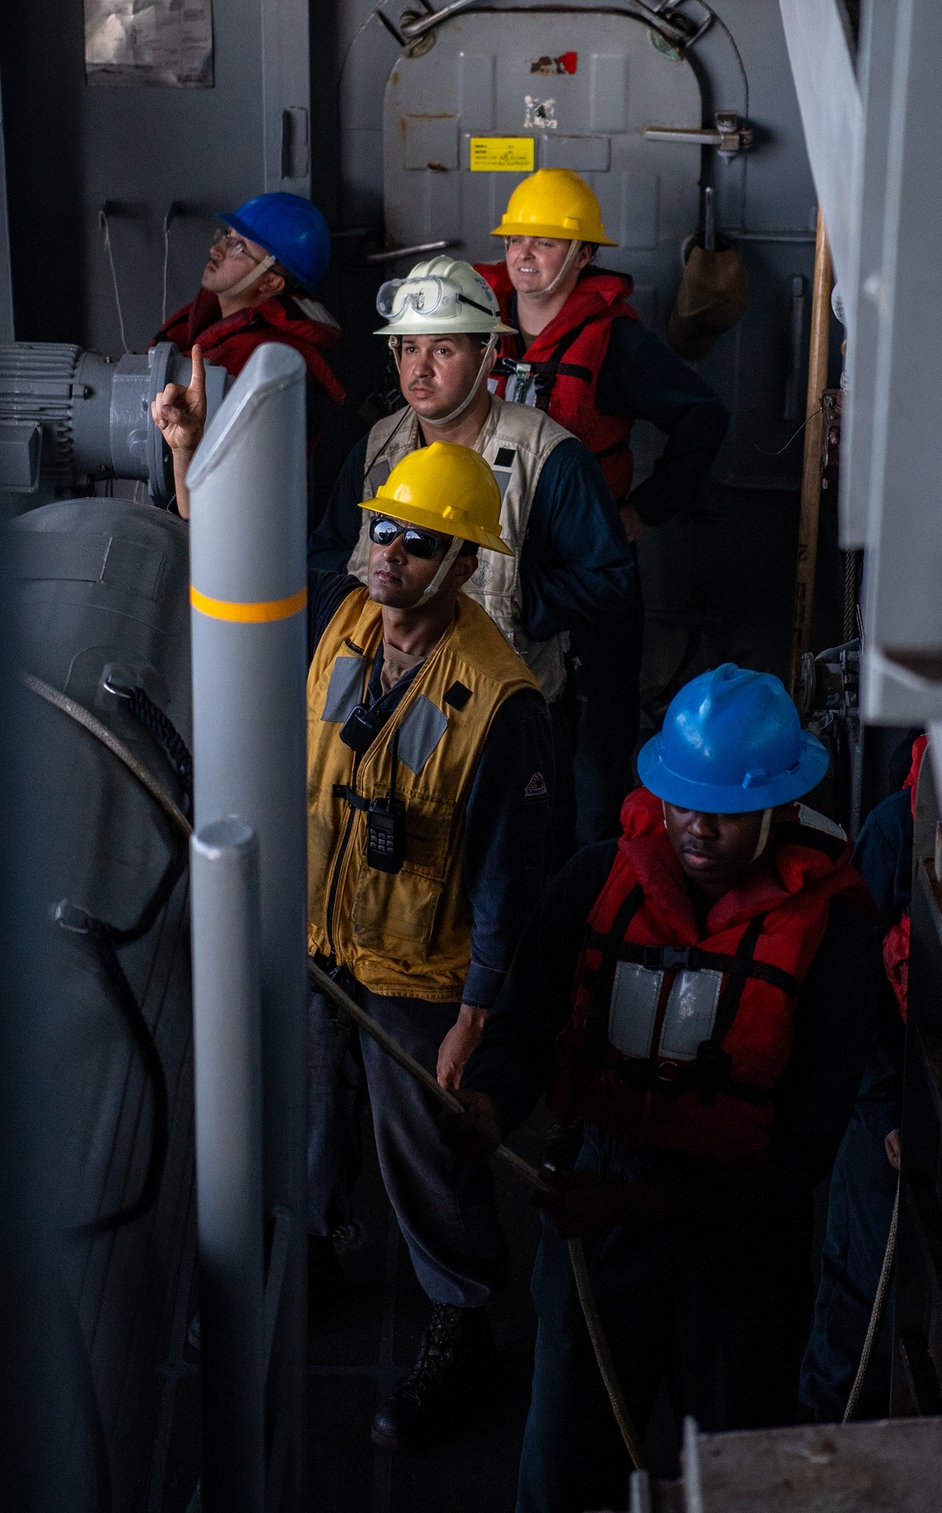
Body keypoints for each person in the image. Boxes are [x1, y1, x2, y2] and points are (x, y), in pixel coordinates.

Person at [449, 664, 880, 1512]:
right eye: (683, 800)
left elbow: (801, 1152)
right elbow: (528, 1018)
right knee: (565, 1465)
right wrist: (490, 1101)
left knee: (735, 1474)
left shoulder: (835, 937)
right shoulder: (597, 879)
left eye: (723, 810)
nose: (696, 826)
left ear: (781, 808)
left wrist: (639, 1205)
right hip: (595, 1231)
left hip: (740, 1256)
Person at [306, 442, 555, 1449]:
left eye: (421, 543)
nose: (389, 555)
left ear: (462, 567)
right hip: (321, 939)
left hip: (421, 970)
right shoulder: (341, 622)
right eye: (382, 529)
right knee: (310, 1113)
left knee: (428, 1153)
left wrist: (475, 1022)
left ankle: (461, 1314)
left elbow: (511, 884)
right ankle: (319, 1243)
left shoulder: (501, 703)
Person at [308, 255, 635, 849]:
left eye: (443, 350)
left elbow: (610, 581)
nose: (420, 369)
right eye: (408, 349)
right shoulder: (376, 447)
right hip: (383, 712)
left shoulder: (547, 456)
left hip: (503, 723)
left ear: (487, 354)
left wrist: (515, 598)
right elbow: (328, 556)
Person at [474, 169, 730, 842]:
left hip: (586, 568)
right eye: (516, 239)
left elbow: (703, 417)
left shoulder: (617, 344)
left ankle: (594, 890)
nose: (524, 255)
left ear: (585, 256)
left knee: (595, 746)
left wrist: (643, 513)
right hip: (487, 561)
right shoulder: (474, 320)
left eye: (548, 243)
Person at [799, 734, 922, 1421]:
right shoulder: (898, 828)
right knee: (859, 1316)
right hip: (891, 1123)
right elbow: (855, 993)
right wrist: (883, 1109)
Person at [150, 191, 345, 451]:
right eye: (226, 237)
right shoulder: (198, 323)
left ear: (271, 282)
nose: (216, 250)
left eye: (239, 246)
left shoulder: (267, 358)